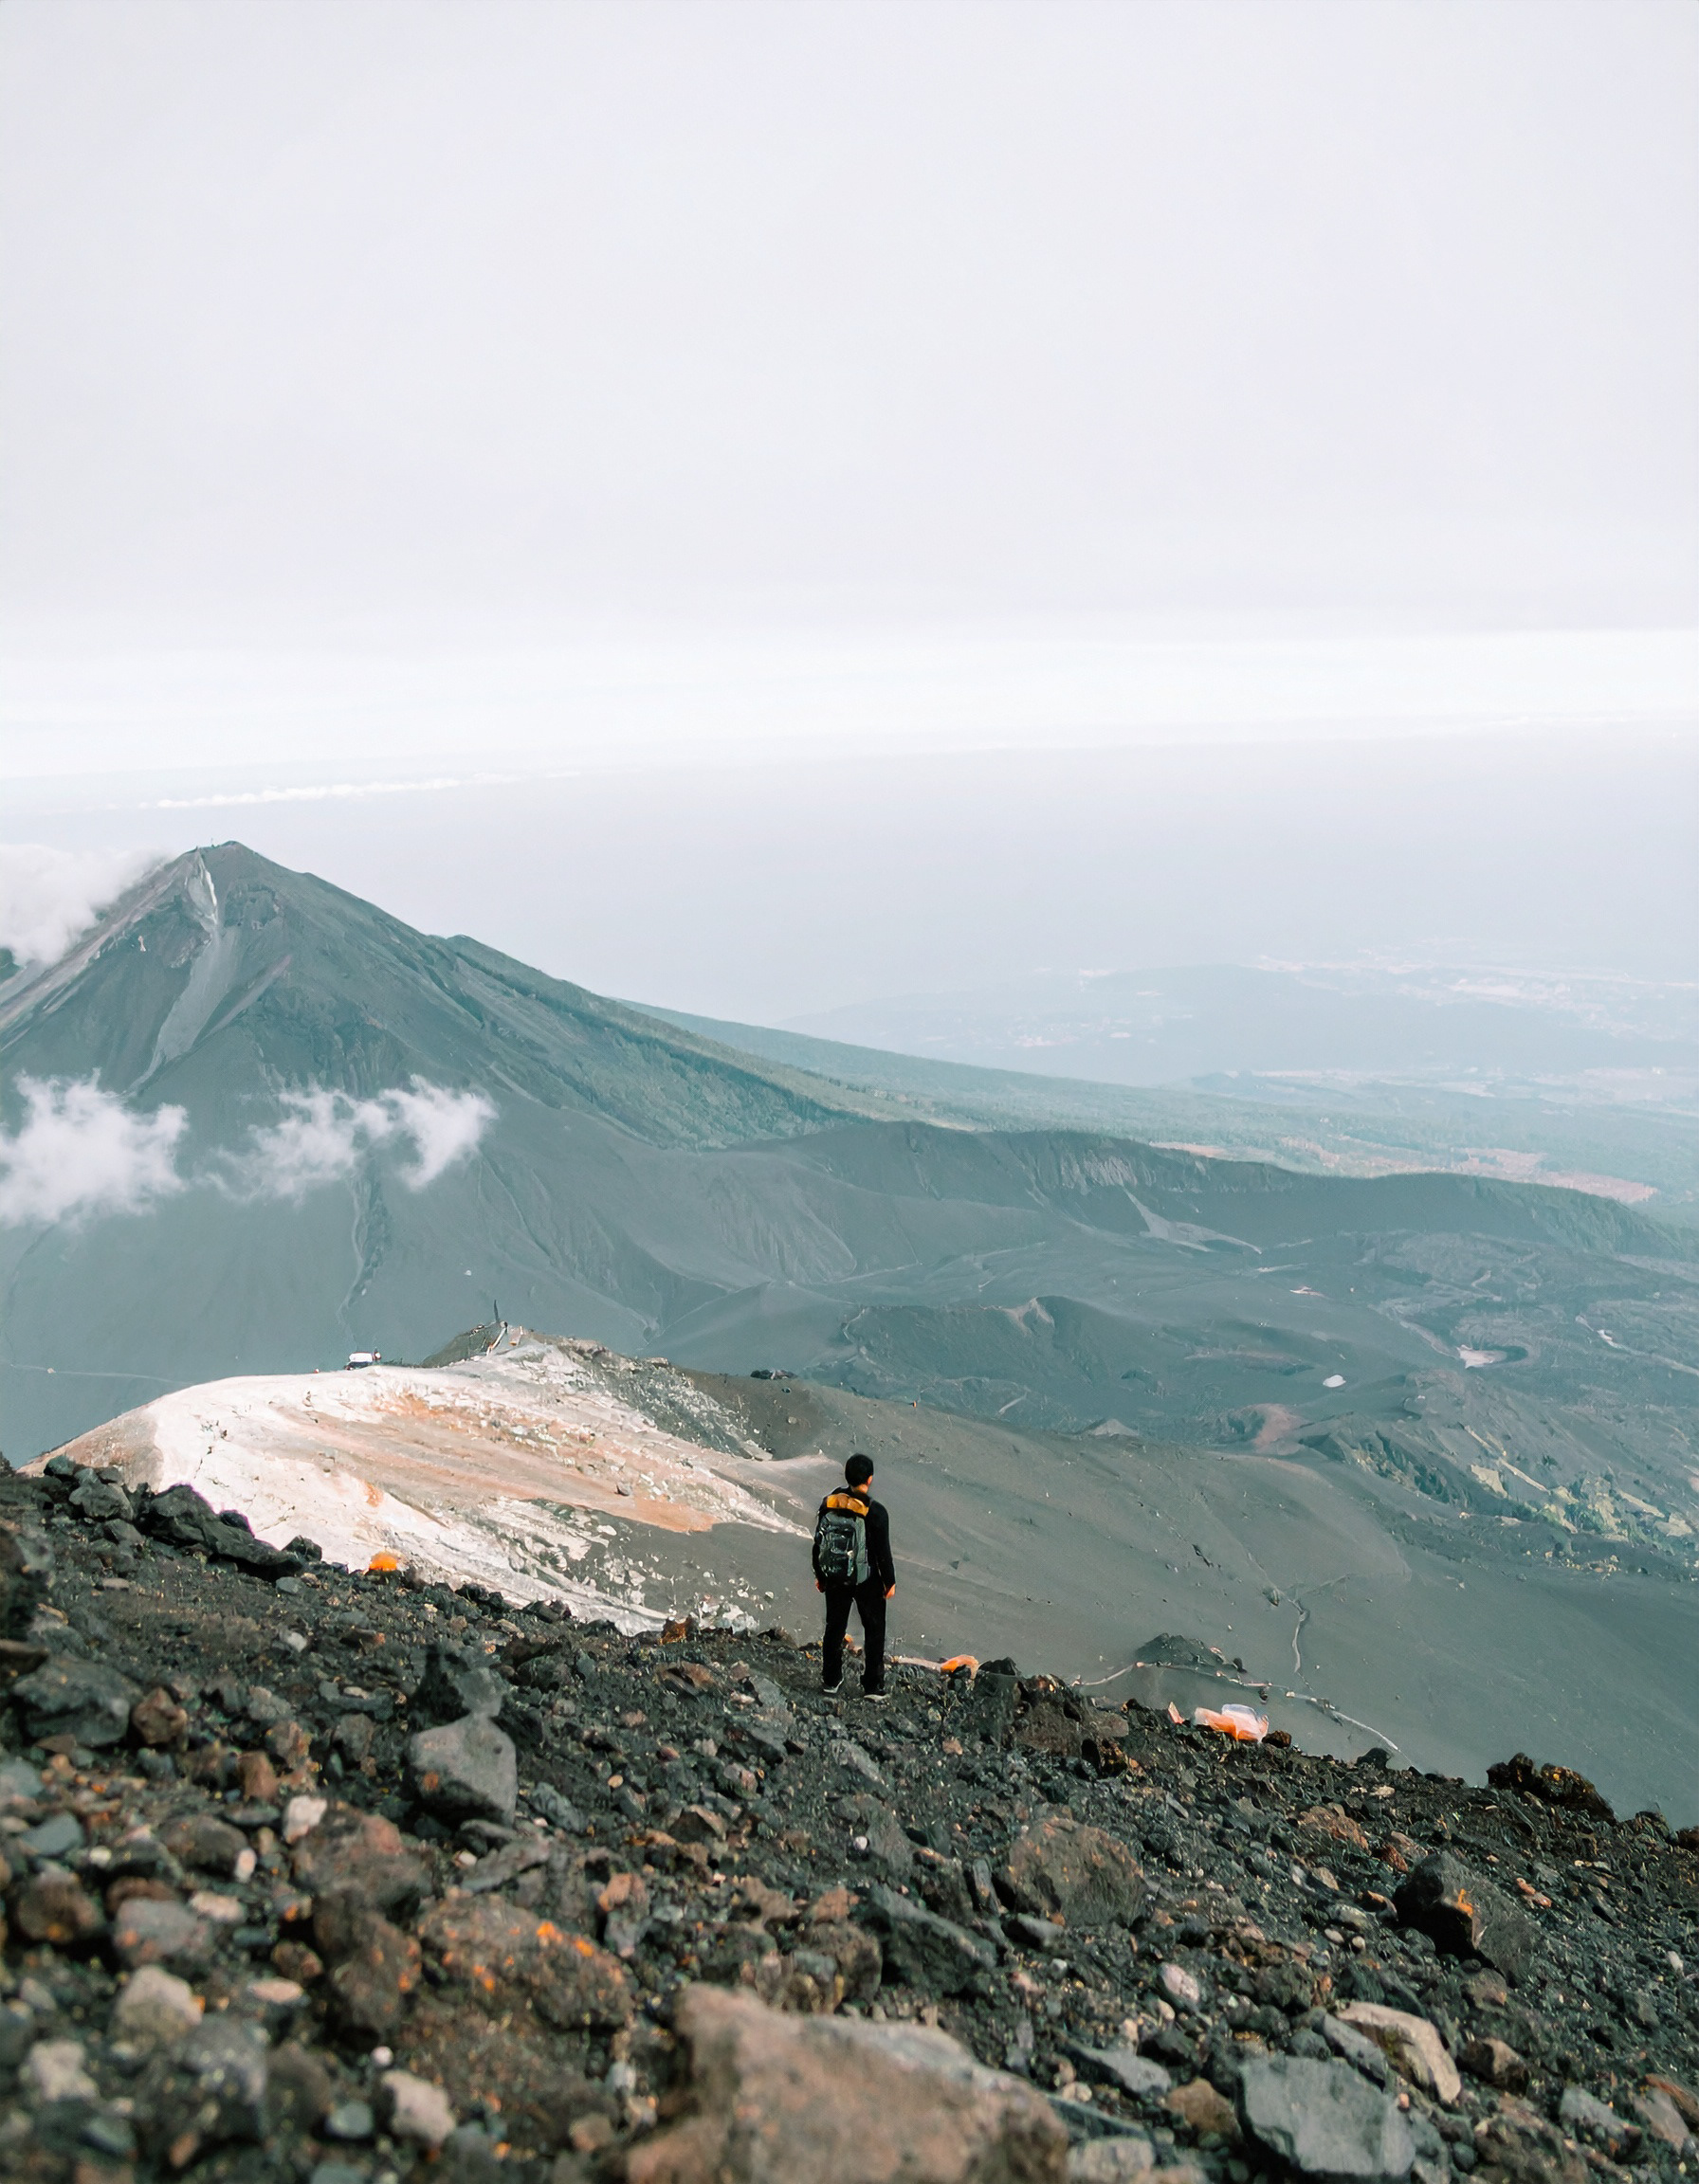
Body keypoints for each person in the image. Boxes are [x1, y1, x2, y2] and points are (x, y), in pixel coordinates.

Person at [813, 1452, 895, 1700]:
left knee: (834, 1627)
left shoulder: (830, 1503)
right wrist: (889, 1582)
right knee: (874, 1629)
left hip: (836, 1575)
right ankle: (872, 1686)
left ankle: (831, 1680)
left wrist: (821, 1574)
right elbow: (883, 1553)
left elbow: (819, 1542)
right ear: (869, 1479)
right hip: (866, 1578)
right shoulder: (875, 1512)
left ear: (846, 1475)